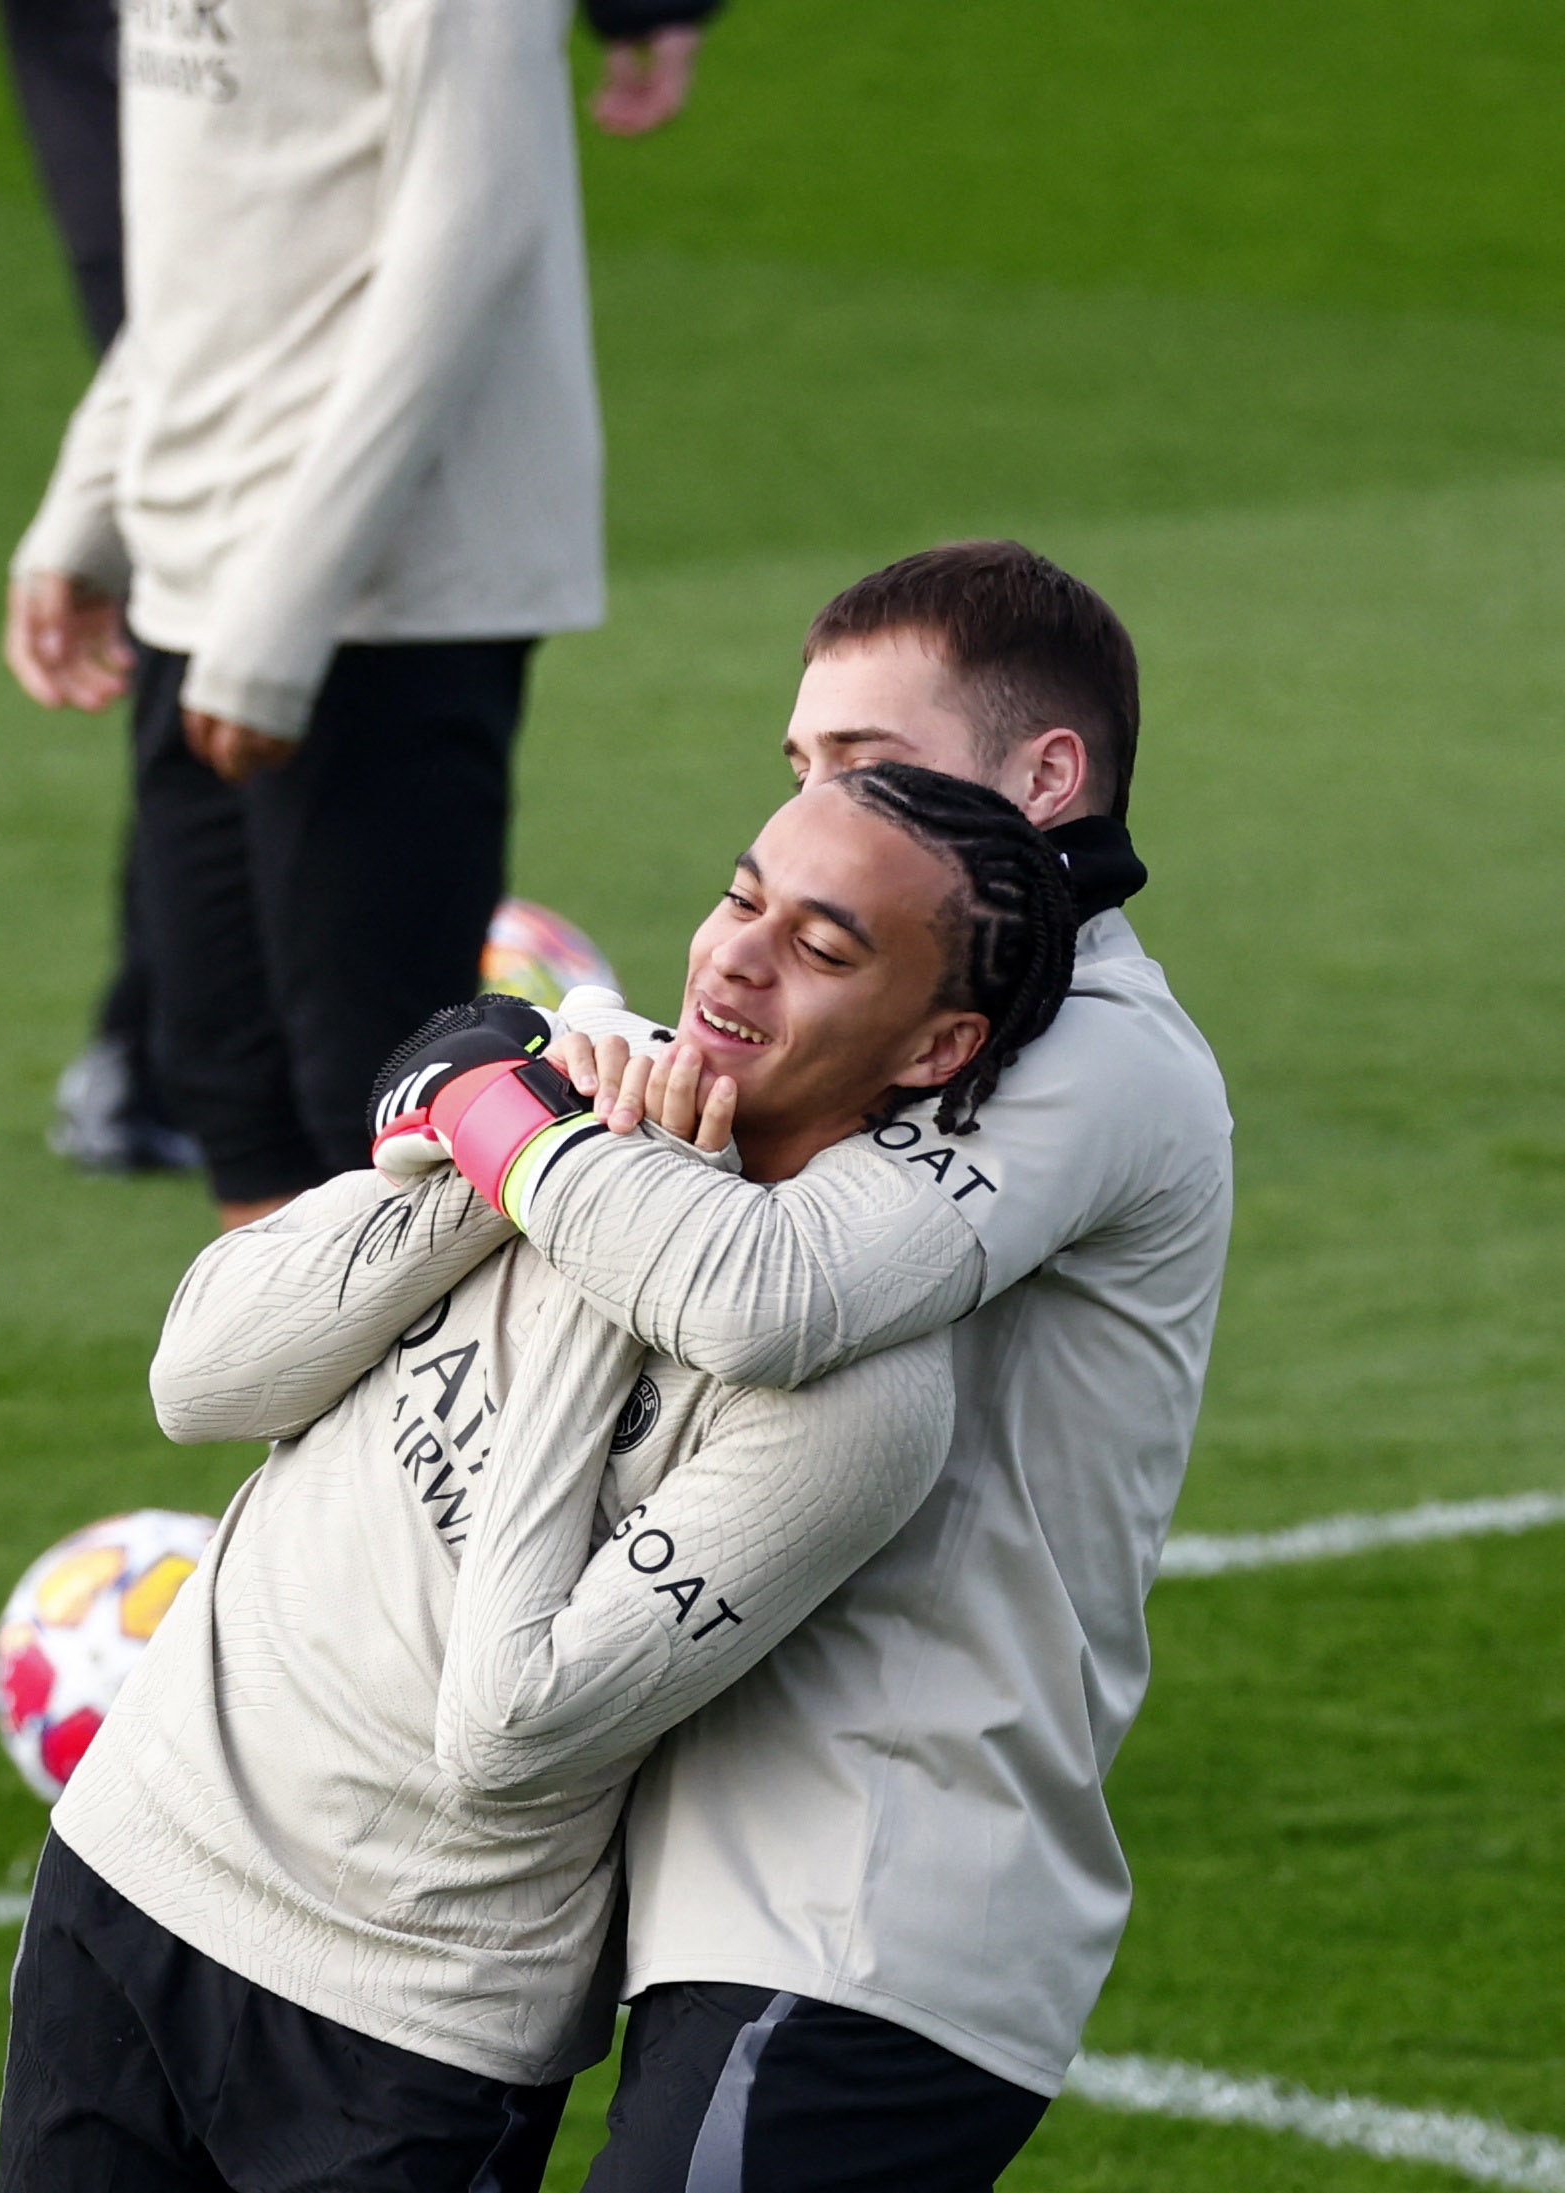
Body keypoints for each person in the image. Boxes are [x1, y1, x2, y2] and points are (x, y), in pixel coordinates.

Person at [0, 764, 1080, 2192]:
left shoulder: (859, 1399)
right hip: (132, 1860)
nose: (735, 959)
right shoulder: (559, 1085)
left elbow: (509, 1729)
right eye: (738, 898)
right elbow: (201, 1378)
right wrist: (485, 1146)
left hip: (400, 2020)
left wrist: (583, 1253)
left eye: (821, 948)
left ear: (937, 1046)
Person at [485, 544, 1230, 2188]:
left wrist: (493, 1113)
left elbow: (769, 1292)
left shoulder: (1100, 1052)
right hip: (720, 1870)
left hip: (874, 1893)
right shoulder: (867, 995)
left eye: (865, 764)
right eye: (798, 770)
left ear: (1046, 778)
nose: (815, 809)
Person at [0, 0, 721, 1226]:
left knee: (379, 1134)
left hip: (390, 599)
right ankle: (296, 1433)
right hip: (199, 571)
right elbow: (216, 232)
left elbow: (472, 232)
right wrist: (92, 498)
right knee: (242, 1107)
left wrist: (285, 606)